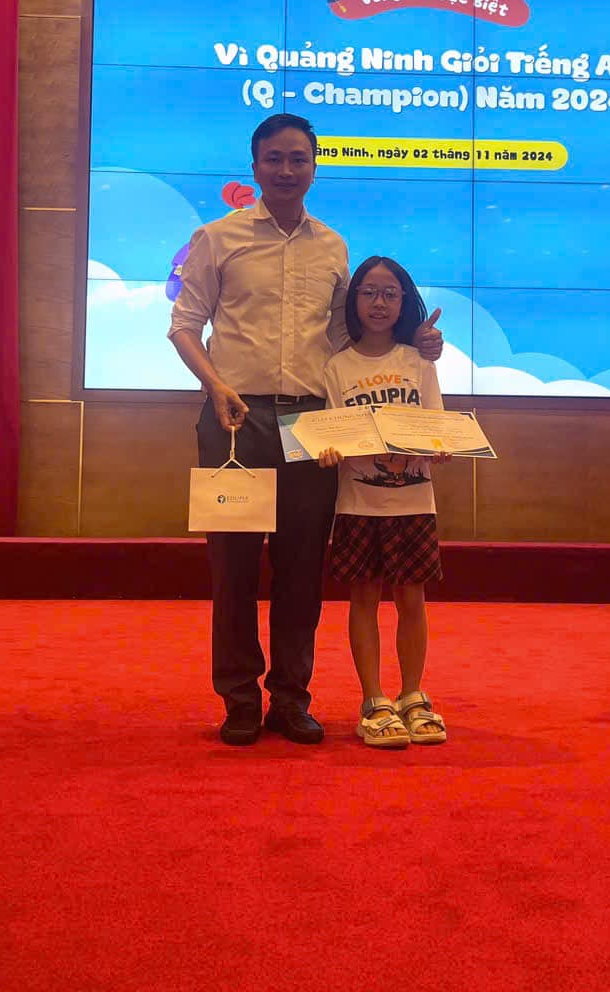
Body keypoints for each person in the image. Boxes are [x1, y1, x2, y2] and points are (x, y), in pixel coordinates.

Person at [168, 115, 443, 745]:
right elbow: (184, 324)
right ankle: (239, 699)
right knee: (233, 570)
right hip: (234, 422)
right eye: (274, 159)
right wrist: (216, 386)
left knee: (301, 570)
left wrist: (417, 340)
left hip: (313, 425)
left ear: (315, 167)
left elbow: (349, 332)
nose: (287, 170)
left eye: (299, 159)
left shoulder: (333, 247)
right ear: (255, 166)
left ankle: (291, 698)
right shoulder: (217, 237)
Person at [319, 256, 448, 748]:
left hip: (414, 502)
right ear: (353, 300)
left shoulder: (420, 362)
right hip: (358, 503)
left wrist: (441, 448)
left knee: (412, 600)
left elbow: (436, 426)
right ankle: (373, 700)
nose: (379, 302)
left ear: (404, 301)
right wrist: (328, 450)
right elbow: (332, 431)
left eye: (390, 293)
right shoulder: (337, 367)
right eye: (369, 292)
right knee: (364, 600)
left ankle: (413, 694)